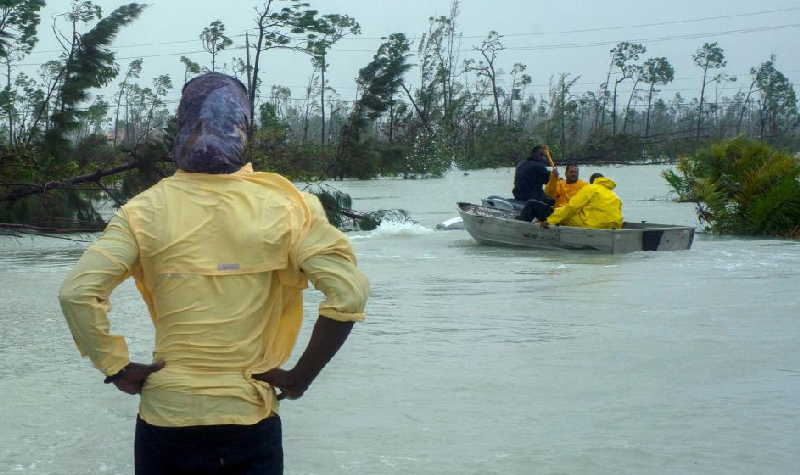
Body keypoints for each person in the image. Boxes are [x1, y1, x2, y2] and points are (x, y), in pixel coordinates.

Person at [59, 73, 369, 475]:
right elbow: (348, 294)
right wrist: (299, 378)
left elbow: (77, 293)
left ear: (183, 125)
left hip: (167, 414)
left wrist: (115, 366)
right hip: (246, 413)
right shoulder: (289, 206)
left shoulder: (142, 210)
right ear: (242, 127)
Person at [543, 172, 623, 229]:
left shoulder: (590, 188)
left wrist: (551, 219)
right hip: (615, 225)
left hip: (596, 225)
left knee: (565, 216)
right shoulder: (613, 194)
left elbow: (572, 207)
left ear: (592, 182)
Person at [513, 145, 556, 222]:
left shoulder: (521, 163)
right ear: (538, 155)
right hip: (532, 197)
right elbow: (553, 182)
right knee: (556, 202)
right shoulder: (538, 166)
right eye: (544, 155)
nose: (545, 158)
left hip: (519, 196)